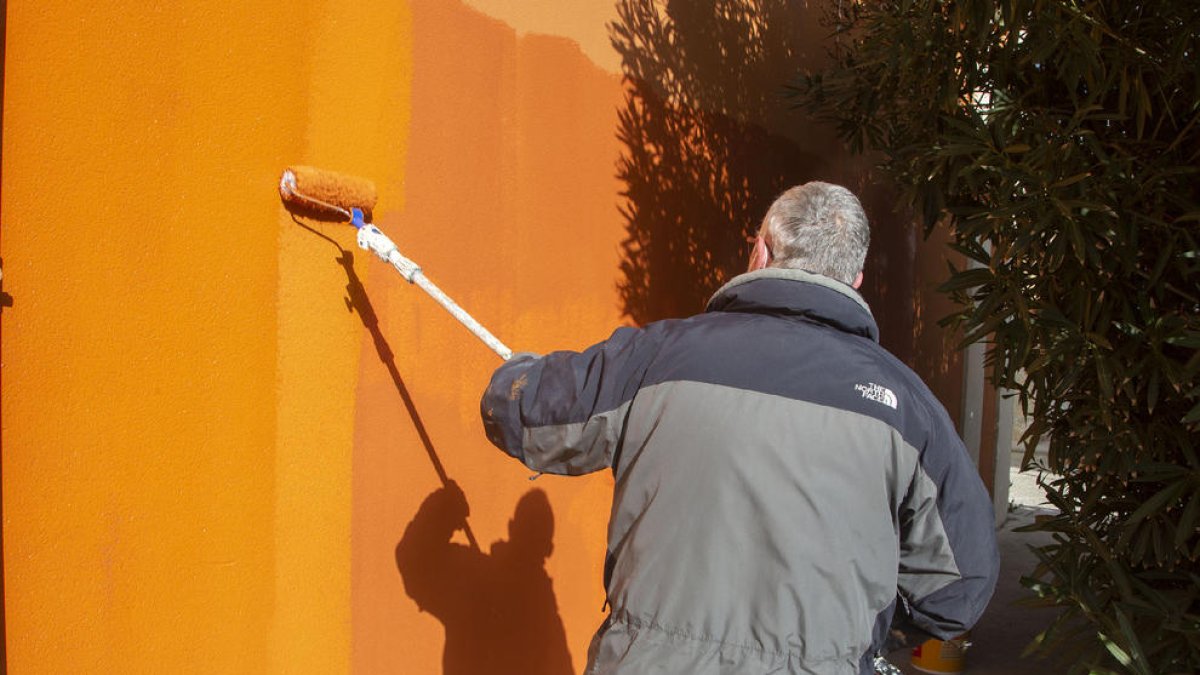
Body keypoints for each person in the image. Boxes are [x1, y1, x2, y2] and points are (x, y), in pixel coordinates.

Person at [479, 181, 1000, 674]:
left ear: (760, 252)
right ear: (855, 279)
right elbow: (960, 591)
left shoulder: (654, 357)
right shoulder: (907, 405)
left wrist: (517, 371)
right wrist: (855, 628)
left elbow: (521, 411)